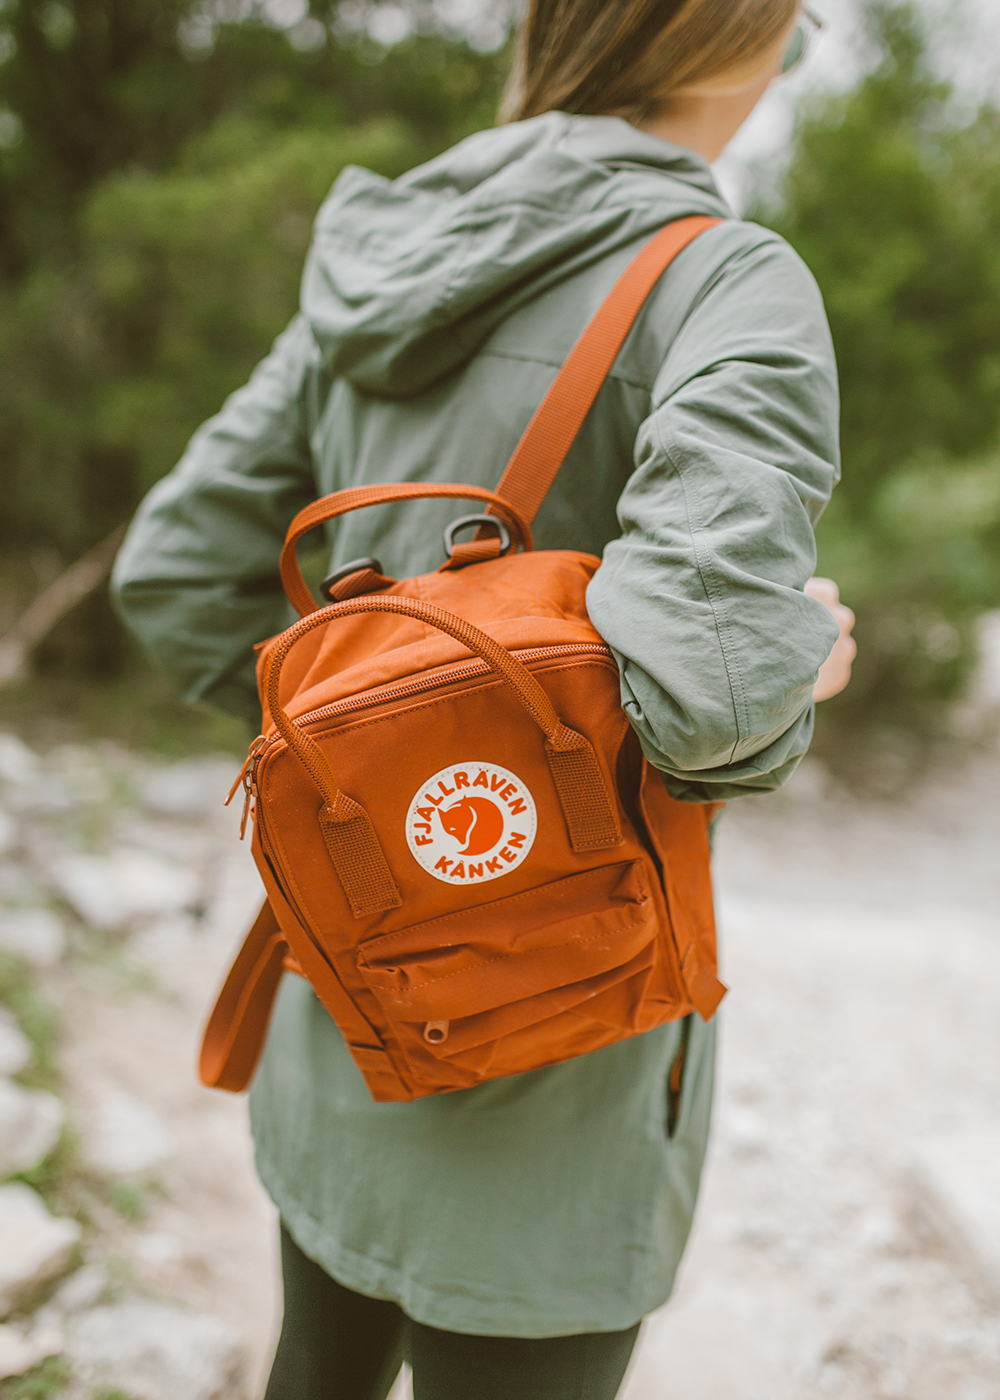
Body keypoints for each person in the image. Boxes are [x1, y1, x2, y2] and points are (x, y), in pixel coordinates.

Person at [113, 1, 856, 1396]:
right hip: (562, 1053)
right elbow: (706, 690)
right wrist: (799, 669)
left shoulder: (379, 261)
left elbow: (174, 573)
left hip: (346, 988)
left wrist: (358, 762)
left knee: (314, 1372)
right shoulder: (724, 281)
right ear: (724, 40)